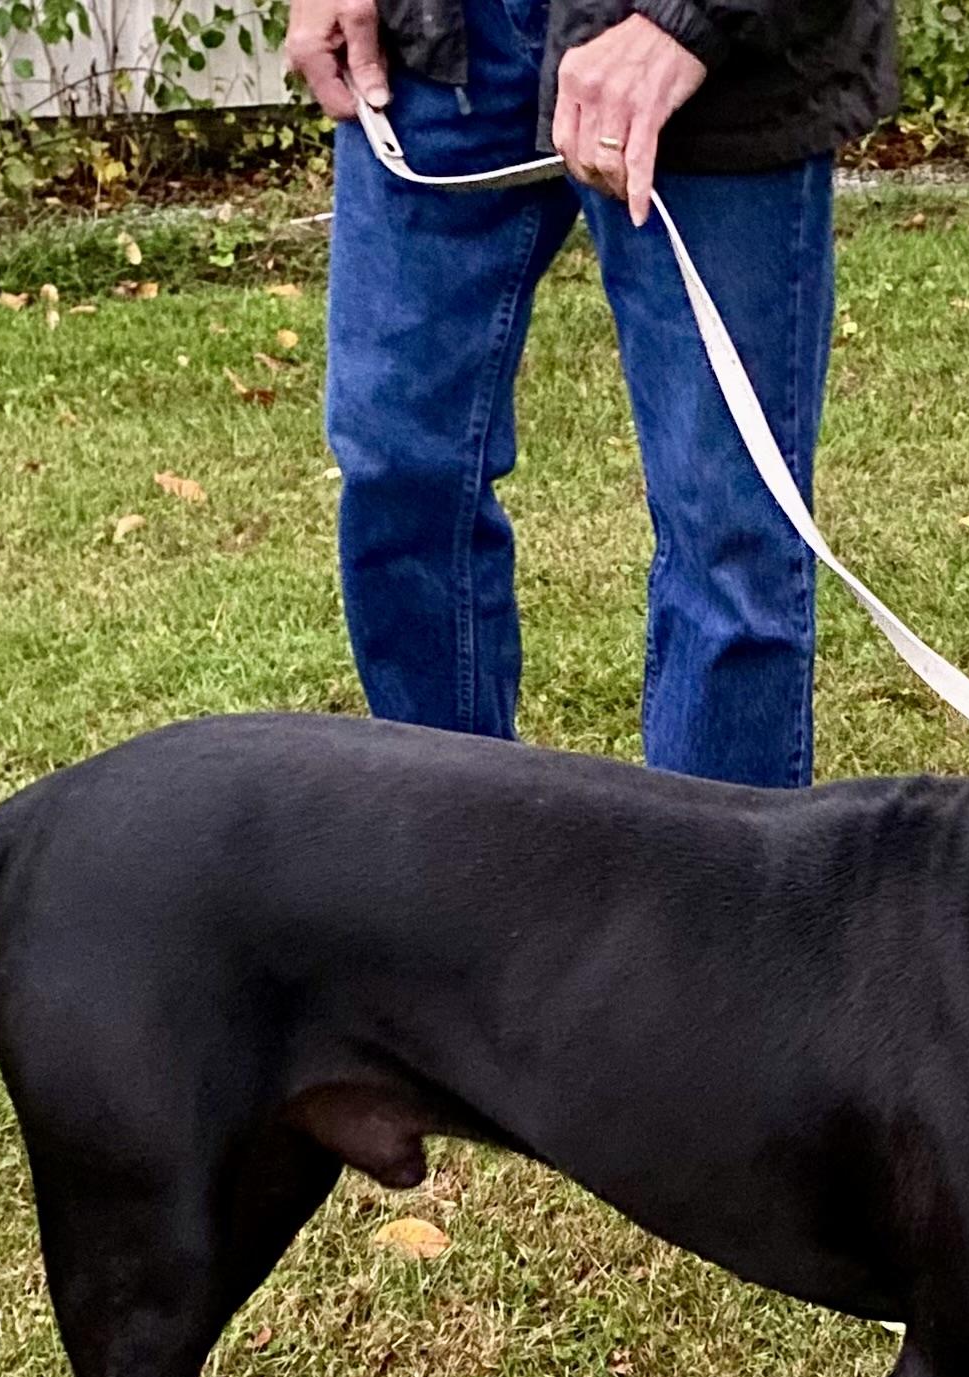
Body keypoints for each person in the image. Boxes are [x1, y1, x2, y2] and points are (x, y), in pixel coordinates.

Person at [283, 0, 896, 789]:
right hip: (437, 43)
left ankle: (715, 900)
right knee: (399, 474)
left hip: (714, 61)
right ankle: (447, 870)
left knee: (729, 530)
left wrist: (690, 19)